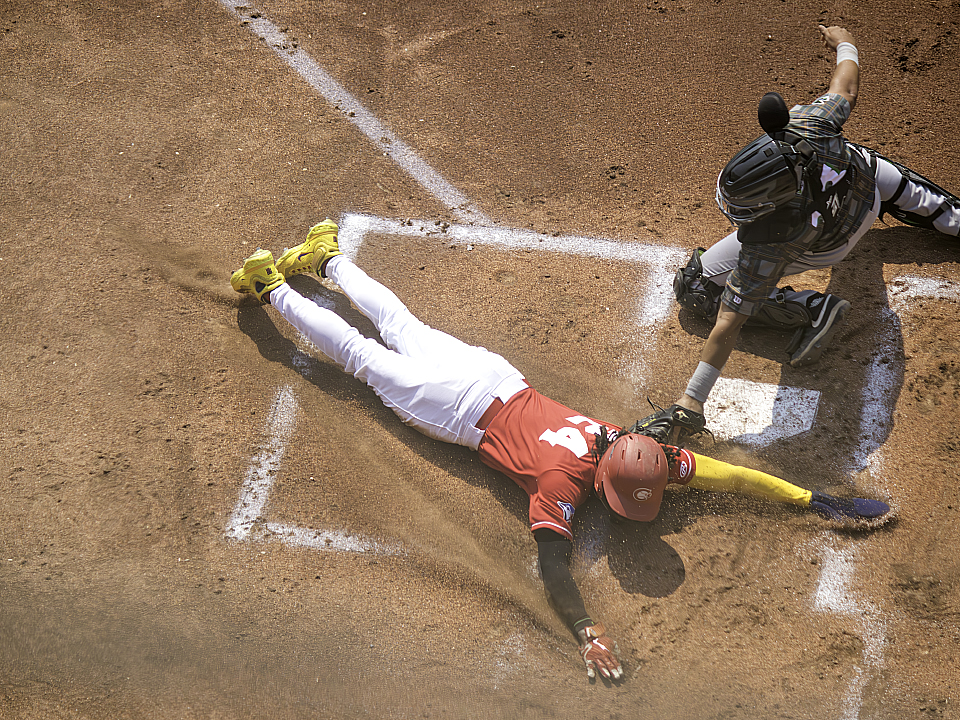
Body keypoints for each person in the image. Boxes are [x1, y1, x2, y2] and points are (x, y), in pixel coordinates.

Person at [231, 218, 891, 681]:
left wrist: (814, 498)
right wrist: (585, 631)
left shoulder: (628, 444)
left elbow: (726, 477)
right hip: (454, 405)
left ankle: (326, 258)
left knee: (401, 326)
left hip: (494, 376)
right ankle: (273, 285)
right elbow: (553, 571)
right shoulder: (560, 484)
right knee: (363, 359)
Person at [658, 23, 960, 442]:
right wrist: (845, 43)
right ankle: (925, 204)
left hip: (828, 246)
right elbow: (846, 87)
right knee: (947, 214)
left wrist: (692, 399)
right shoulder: (805, 127)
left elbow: (728, 323)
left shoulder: (767, 242)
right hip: (873, 184)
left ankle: (809, 311)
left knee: (696, 289)